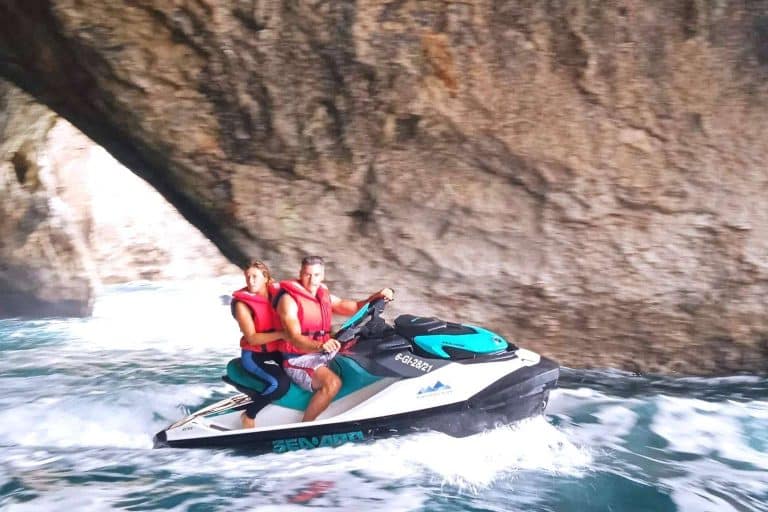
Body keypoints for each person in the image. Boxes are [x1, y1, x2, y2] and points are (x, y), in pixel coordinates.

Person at [275, 255, 394, 422]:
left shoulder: (323, 294)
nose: (311, 280)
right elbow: (294, 338)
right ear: (300, 273)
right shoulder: (288, 301)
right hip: (299, 359)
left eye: (316, 275)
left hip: (323, 351)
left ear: (322, 275)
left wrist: (377, 296)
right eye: (307, 275)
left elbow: (352, 307)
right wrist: (321, 345)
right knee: (332, 383)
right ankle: (306, 427)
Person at [231, 259, 291, 428]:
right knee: (280, 385)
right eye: (248, 277)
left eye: (255, 276)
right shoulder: (242, 305)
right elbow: (252, 338)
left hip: (276, 349)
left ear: (265, 278)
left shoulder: (279, 295)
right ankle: (249, 415)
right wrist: (282, 334)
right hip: (254, 355)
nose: (251, 281)